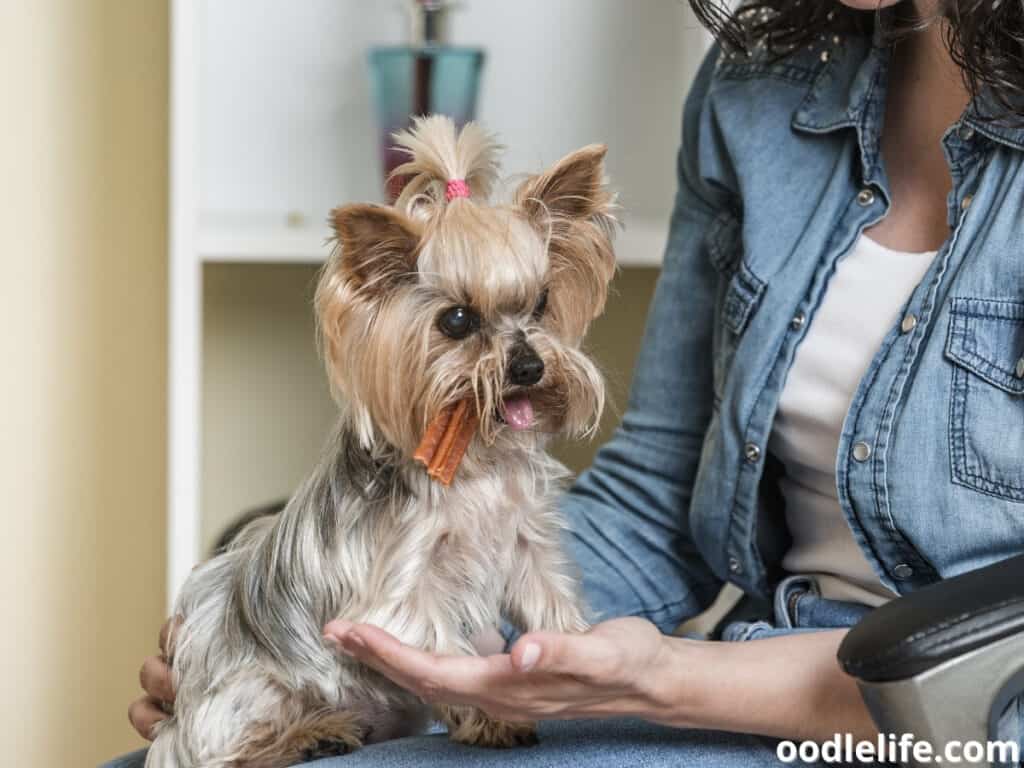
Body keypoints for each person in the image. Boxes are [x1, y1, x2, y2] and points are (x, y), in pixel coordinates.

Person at [108, 0, 1024, 764]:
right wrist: (269, 628)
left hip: (935, 720)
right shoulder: (761, 85)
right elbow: (655, 494)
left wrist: (668, 678)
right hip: (741, 672)